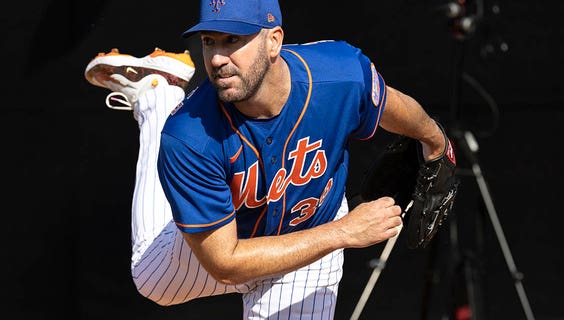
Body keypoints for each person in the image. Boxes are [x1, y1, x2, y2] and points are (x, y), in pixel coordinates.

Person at [84, 0, 453, 318]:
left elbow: (391, 104)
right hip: (228, 245)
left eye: (233, 40)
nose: (216, 58)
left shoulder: (338, 75)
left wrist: (436, 143)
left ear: (273, 39)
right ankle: (158, 97)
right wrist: (345, 231)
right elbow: (226, 263)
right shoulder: (189, 137)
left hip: (307, 242)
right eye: (209, 41)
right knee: (152, 282)